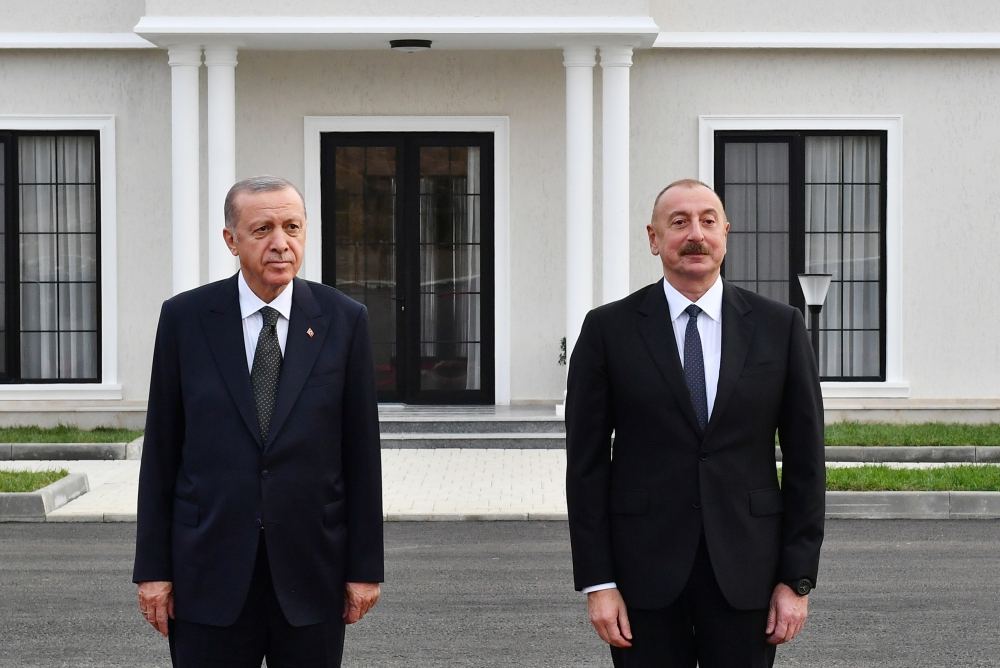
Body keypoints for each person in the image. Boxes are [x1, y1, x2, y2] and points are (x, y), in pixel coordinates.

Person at [565, 179, 825, 667]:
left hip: (749, 573)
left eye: (708, 221)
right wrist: (599, 582)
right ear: (653, 238)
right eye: (679, 222)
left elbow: (807, 463)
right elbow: (585, 466)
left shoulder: (780, 327)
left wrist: (797, 579)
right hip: (642, 577)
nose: (695, 235)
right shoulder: (607, 330)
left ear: (726, 232)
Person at [133, 175, 383, 667]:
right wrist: (153, 570)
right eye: (263, 229)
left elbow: (361, 454)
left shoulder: (344, 319)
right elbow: (161, 449)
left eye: (292, 227)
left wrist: (365, 568)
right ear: (232, 240)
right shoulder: (185, 319)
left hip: (312, 573)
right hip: (208, 574)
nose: (281, 243)